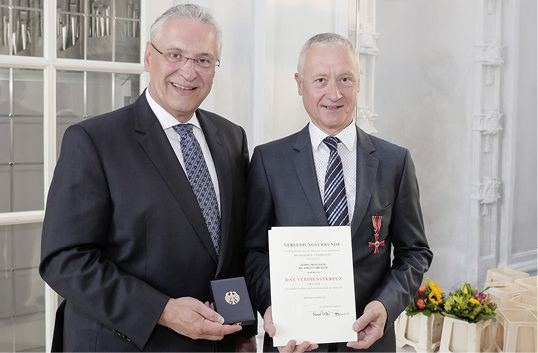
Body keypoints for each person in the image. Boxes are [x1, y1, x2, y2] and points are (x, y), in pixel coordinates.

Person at [40, 4, 256, 352]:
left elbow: (231, 251)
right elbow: (64, 261)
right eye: (175, 54)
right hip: (125, 343)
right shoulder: (94, 140)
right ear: (148, 57)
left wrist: (244, 329)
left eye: (203, 60)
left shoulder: (231, 138)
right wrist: (164, 311)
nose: (188, 72)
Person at [244, 33, 433, 352]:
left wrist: (385, 307)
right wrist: (271, 306)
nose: (334, 93)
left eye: (345, 79)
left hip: (368, 342)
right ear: (299, 83)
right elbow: (253, 251)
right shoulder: (268, 161)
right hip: (293, 341)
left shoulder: (394, 162)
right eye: (320, 79)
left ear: (359, 83)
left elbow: (414, 253)